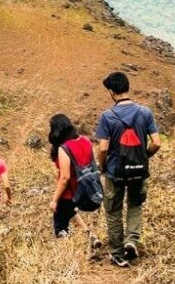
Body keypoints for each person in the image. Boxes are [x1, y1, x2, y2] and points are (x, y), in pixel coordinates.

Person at [96, 71, 161, 268]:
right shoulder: (145, 113)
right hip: (139, 171)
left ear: (111, 91)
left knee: (113, 211)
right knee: (135, 205)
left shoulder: (107, 117)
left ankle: (117, 253)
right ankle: (131, 240)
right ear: (127, 87)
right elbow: (156, 143)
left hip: (115, 173)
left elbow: (103, 148)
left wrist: (103, 166)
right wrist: (144, 157)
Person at [48, 114, 102, 249]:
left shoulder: (64, 148)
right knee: (70, 211)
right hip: (86, 187)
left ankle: (65, 252)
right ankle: (90, 236)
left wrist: (54, 199)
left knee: (60, 225)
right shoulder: (85, 140)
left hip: (70, 191)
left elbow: (65, 177)